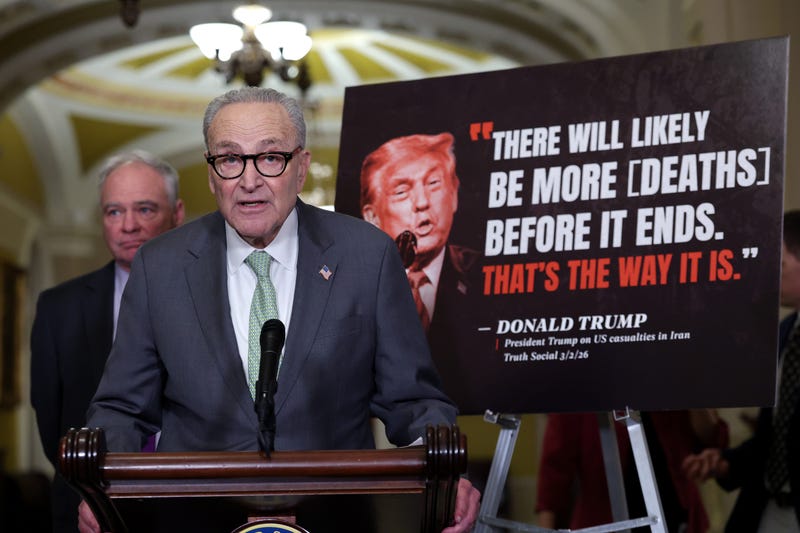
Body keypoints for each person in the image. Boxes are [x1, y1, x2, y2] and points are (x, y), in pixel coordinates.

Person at [78, 87, 480, 533]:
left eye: (270, 158)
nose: (249, 180)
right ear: (212, 174)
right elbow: (121, 409)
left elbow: (412, 399)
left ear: (301, 168)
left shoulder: (368, 256)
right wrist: (101, 486)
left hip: (333, 519)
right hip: (195, 520)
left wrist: (448, 474)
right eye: (230, 160)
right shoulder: (161, 266)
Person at [30, 150, 185, 533]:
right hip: (89, 510)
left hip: (190, 504)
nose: (128, 225)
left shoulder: (216, 294)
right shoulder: (59, 307)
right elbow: (54, 425)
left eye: (145, 209)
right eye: (114, 212)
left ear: (177, 214)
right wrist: (93, 485)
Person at [682, 209, 800, 533]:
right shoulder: (782, 334)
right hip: (766, 511)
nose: (770, 277)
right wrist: (727, 462)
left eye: (780, 266)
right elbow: (774, 439)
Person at [359, 133, 481, 406]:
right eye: (402, 191)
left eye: (434, 183)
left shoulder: (487, 278)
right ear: (371, 217)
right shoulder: (349, 287)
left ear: (455, 195)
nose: (422, 202)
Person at [536, 410, 728, 532]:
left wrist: (687, 372)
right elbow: (553, 475)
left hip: (677, 516)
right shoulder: (585, 376)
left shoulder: (669, 368)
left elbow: (715, 442)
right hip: (604, 520)